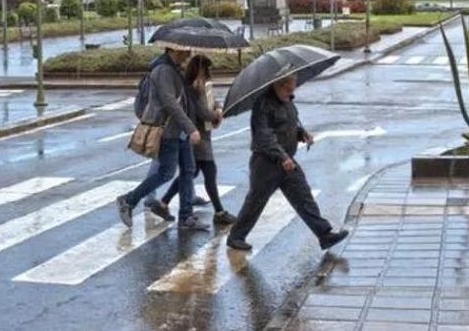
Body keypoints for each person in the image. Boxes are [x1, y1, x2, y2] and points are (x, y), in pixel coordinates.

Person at [227, 74, 348, 252]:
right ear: (278, 84)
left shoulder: (287, 101)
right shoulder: (263, 104)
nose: (292, 93)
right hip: (266, 163)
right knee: (256, 201)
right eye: (289, 89)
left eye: (294, 88)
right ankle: (236, 236)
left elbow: (288, 126)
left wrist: (301, 134)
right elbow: (264, 136)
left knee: (303, 196)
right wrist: (282, 157)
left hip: (287, 162)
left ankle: (325, 235)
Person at [116, 47, 211, 232]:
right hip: (168, 130)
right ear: (175, 49)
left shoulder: (175, 68)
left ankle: (186, 217)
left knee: (188, 171)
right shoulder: (162, 71)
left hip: (180, 130)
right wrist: (191, 128)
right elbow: (170, 103)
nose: (189, 54)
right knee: (166, 173)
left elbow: (183, 99)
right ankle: (128, 200)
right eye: (186, 50)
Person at [149, 55, 237, 227]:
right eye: (205, 70)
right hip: (197, 137)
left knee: (190, 173)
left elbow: (213, 101)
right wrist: (215, 115)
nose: (207, 74)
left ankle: (163, 203)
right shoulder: (190, 89)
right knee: (209, 172)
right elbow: (202, 112)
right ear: (198, 70)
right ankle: (219, 212)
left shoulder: (202, 87)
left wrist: (218, 108)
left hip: (203, 136)